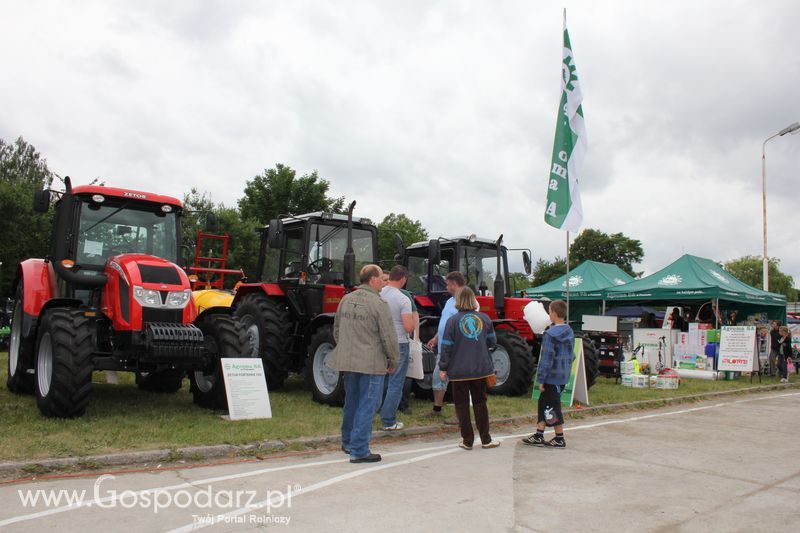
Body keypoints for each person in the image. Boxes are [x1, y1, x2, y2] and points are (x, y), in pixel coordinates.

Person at [330, 264, 400, 464]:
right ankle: (359, 449)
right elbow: (388, 336)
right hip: (371, 363)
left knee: (351, 402)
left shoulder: (346, 299)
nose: (384, 282)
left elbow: (337, 330)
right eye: (382, 278)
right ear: (372, 279)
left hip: (349, 361)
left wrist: (347, 348)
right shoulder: (378, 303)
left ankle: (348, 442)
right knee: (368, 404)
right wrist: (393, 359)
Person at [438, 286, 501, 450]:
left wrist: (443, 368)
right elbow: (492, 342)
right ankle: (486, 440)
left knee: (461, 406)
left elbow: (446, 347)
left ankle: (467, 441)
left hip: (458, 371)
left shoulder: (452, 321)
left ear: (458, 301)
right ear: (474, 300)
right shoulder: (485, 318)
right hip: (480, 369)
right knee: (481, 404)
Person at [522, 299, 575, 449]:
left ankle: (559, 438)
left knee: (552, 407)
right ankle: (539, 434)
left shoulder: (550, 335)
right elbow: (573, 354)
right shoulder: (569, 330)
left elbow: (546, 359)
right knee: (544, 403)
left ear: (554, 313)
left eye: (549, 311)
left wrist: (541, 379)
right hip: (563, 375)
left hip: (551, 377)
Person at [424, 271, 468, 420]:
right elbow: (445, 323)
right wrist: (436, 337)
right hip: (444, 347)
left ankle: (460, 414)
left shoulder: (468, 302)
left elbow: (466, 326)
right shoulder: (450, 301)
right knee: (438, 377)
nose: (446, 287)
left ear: (454, 284)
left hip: (457, 349)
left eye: (448, 284)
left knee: (458, 382)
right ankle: (437, 409)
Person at [379, 265, 414, 430]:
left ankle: (375, 410)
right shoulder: (403, 299)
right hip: (399, 342)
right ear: (403, 279)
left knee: (379, 379)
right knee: (396, 382)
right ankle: (388, 420)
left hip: (380, 341)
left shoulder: (379, 294)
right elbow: (408, 327)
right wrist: (413, 324)